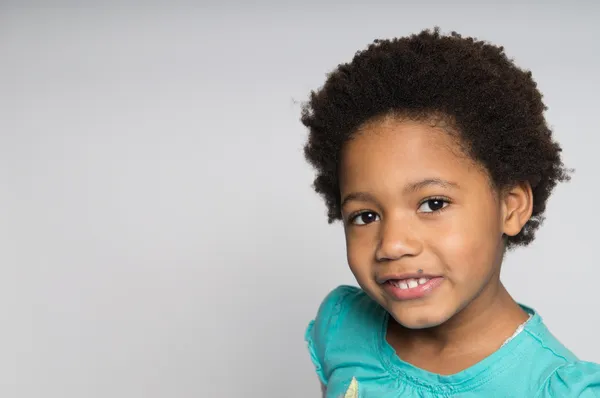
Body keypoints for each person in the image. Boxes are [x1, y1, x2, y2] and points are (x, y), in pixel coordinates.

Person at [301, 27, 600, 397]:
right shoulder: (342, 327)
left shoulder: (558, 390)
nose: (392, 245)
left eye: (433, 204)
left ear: (511, 206)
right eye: (365, 215)